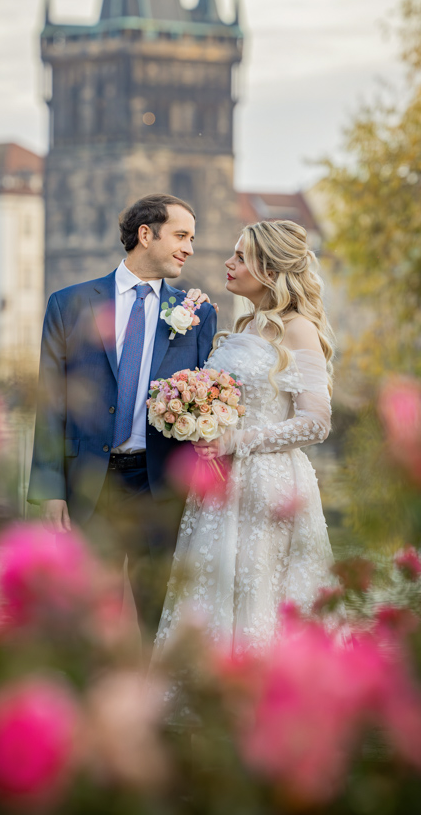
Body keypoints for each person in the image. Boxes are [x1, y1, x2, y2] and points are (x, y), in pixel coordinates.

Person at [27, 193, 218, 631]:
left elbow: (206, 400)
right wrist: (50, 488)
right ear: (145, 235)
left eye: (192, 238)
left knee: (158, 616)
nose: (189, 248)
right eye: (181, 235)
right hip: (87, 486)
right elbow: (51, 401)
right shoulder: (68, 304)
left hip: (160, 488)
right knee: (85, 618)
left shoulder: (196, 313)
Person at [155, 219, 337, 658]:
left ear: (270, 272)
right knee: (212, 588)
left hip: (268, 482)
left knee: (260, 592)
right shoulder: (245, 327)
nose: (228, 263)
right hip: (219, 486)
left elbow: (316, 421)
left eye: (241, 257)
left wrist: (237, 441)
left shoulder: (298, 329)